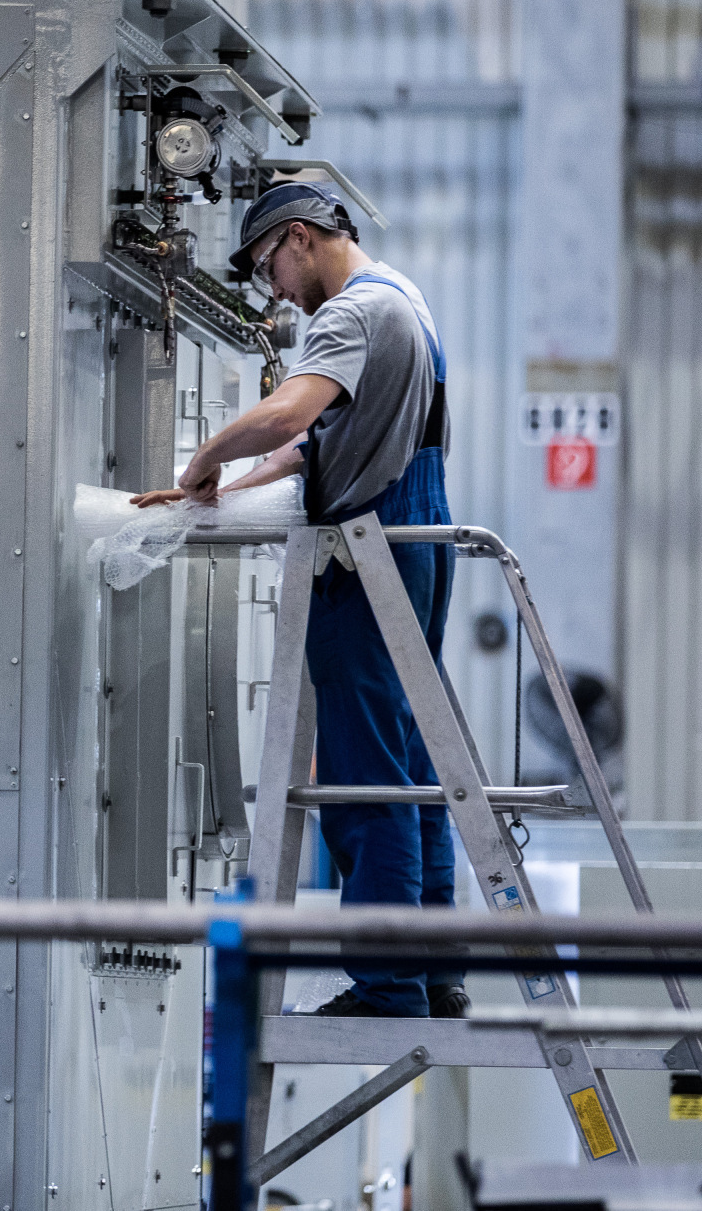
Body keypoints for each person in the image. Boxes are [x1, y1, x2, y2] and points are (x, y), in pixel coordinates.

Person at [132, 183, 468, 1019]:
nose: (275, 288)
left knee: (364, 775)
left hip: (367, 553)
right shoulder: (406, 299)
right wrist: (228, 490)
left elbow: (290, 415)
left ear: (298, 237)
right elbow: (322, 442)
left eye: (267, 266)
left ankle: (389, 987)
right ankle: (432, 972)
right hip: (416, 532)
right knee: (412, 764)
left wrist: (200, 459)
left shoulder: (349, 314)